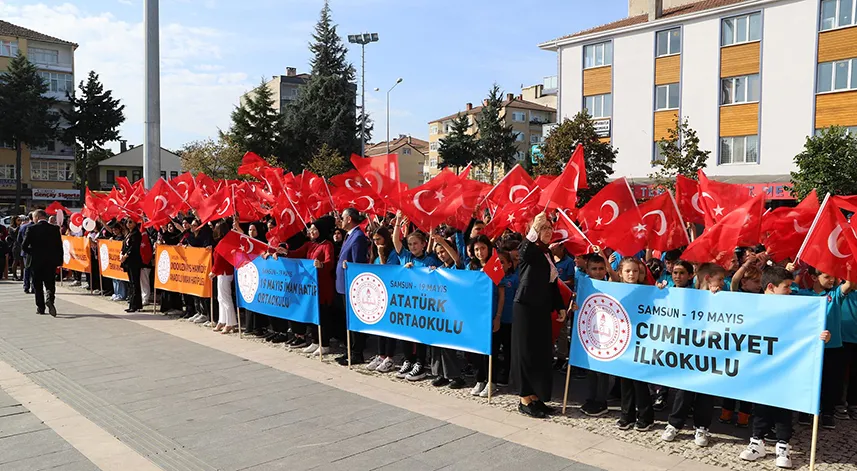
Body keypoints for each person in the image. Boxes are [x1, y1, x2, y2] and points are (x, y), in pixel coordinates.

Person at [739, 265, 831, 469]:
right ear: (771, 287)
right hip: (759, 366)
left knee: (783, 405)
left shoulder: (795, 307)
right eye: (787, 286)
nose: (791, 290)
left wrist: (822, 336)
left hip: (786, 367)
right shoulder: (749, 304)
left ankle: (783, 445)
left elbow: (808, 329)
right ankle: (757, 442)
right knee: (761, 405)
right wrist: (714, 293)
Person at [661, 262, 725, 447]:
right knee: (683, 390)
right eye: (719, 279)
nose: (722, 282)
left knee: (705, 392)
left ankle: (702, 427)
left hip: (710, 351)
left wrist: (717, 297)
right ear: (707, 278)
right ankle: (674, 424)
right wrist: (661, 290)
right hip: (688, 351)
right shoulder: (686, 292)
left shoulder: (723, 296)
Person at [512, 213, 567, 419]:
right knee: (525, 351)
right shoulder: (529, 249)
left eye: (549, 228)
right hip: (525, 306)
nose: (548, 231)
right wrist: (534, 228)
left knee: (540, 352)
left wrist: (559, 306)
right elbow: (523, 252)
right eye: (543, 228)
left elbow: (552, 284)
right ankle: (524, 398)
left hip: (542, 307)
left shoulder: (547, 254)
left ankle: (536, 396)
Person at [795, 265, 853, 429]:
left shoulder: (835, 294)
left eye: (833, 277)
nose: (832, 280)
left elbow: (849, 284)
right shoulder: (804, 294)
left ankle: (827, 413)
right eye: (827, 277)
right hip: (810, 348)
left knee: (831, 382)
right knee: (808, 379)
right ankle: (805, 411)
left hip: (833, 347)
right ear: (814, 277)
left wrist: (849, 268)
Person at [391, 211, 440, 380]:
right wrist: (397, 220)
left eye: (415, 244)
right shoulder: (405, 257)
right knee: (405, 332)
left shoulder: (430, 260)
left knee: (420, 335)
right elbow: (395, 241)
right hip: (406, 302)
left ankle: (420, 363)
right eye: (410, 244)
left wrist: (434, 272)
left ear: (423, 244)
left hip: (423, 303)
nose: (412, 247)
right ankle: (408, 360)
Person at [614, 257, 655, 432]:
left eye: (635, 271)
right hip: (623, 340)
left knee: (639, 381)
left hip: (641, 340)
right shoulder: (615, 289)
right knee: (625, 380)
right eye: (628, 271)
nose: (632, 274)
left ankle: (646, 416)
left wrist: (660, 290)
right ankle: (627, 415)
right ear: (620, 273)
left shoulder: (647, 290)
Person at [334, 207, 370, 366]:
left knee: (354, 321)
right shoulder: (350, 236)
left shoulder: (358, 237)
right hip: (343, 284)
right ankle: (349, 350)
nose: (340, 220)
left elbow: (358, 263)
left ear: (349, 219)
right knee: (346, 320)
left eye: (342, 217)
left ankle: (356, 353)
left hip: (351, 286)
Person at [469, 234, 503, 398]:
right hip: (475, 317)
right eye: (476, 249)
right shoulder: (472, 267)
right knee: (477, 351)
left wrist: (497, 316)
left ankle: (492, 381)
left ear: (489, 249)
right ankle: (480, 379)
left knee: (491, 351)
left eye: (482, 248)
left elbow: (502, 294)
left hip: (490, 316)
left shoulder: (495, 266)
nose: (479, 252)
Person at [365, 226, 400, 373]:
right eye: (374, 240)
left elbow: (388, 272)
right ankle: (381, 355)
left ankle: (389, 358)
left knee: (389, 328)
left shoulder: (391, 253)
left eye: (379, 239)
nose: (376, 242)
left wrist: (382, 256)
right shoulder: (374, 252)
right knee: (380, 327)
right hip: (378, 293)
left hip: (390, 292)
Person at [22, 209, 63, 316]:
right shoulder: (54, 229)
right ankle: (50, 299)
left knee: (37, 285)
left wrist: (33, 252)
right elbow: (59, 246)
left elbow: (24, 246)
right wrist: (60, 260)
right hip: (51, 261)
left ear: (37, 217)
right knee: (50, 283)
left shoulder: (31, 228)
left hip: (36, 261)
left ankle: (40, 308)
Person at [120, 218, 143, 313]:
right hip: (128, 262)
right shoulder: (128, 234)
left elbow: (133, 247)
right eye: (127, 222)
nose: (128, 224)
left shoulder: (136, 234)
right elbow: (124, 245)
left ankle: (135, 305)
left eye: (130, 222)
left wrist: (126, 255)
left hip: (134, 261)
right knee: (131, 282)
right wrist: (121, 253)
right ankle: (133, 303)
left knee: (135, 283)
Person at [17, 212, 34, 293]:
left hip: (25, 251)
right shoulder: (35, 227)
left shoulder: (23, 227)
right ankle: (34, 287)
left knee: (26, 269)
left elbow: (19, 239)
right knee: (34, 270)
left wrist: (24, 247)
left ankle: (26, 286)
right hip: (34, 251)